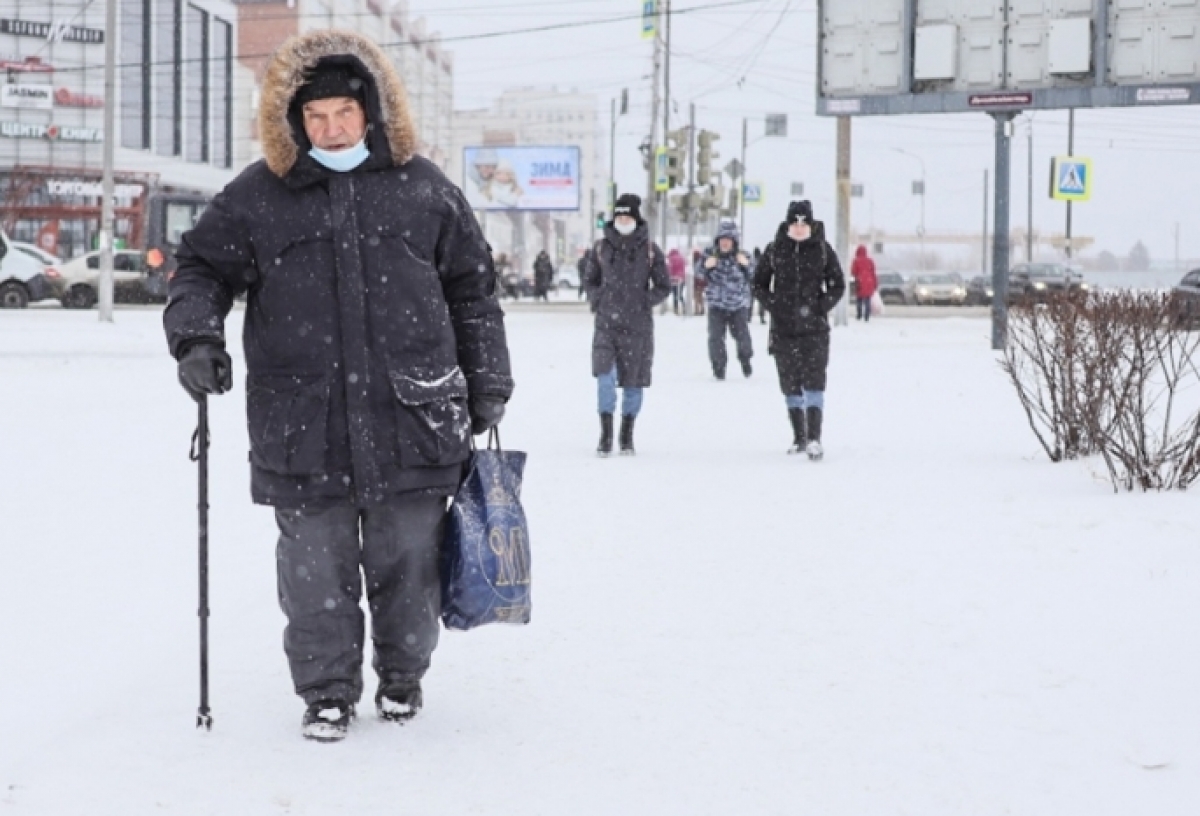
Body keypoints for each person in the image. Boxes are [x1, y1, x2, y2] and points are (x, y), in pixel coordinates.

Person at [163, 31, 514, 742]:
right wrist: (197, 338)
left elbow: (473, 292)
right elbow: (198, 269)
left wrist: (489, 382)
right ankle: (325, 691)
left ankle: (403, 677)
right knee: (314, 573)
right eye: (314, 116)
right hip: (303, 425)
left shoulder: (424, 189)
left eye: (342, 114)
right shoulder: (258, 197)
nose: (329, 128)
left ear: (372, 112)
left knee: (409, 567)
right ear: (294, 121)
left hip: (414, 416)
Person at [753, 200, 845, 460]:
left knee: (814, 381)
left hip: (815, 329)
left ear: (811, 224)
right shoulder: (775, 250)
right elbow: (758, 284)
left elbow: (837, 284)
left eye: (804, 223)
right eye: (795, 222)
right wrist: (773, 304)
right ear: (788, 223)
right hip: (783, 330)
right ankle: (799, 437)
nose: (800, 227)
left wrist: (821, 305)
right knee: (790, 384)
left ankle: (815, 437)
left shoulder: (823, 250)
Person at [582, 193, 670, 456]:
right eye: (619, 216)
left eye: (627, 216)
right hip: (606, 325)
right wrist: (599, 299)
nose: (623, 220)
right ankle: (606, 434)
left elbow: (664, 285)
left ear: (635, 218)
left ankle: (627, 434)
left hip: (638, 326)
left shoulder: (650, 250)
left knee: (634, 382)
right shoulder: (601, 248)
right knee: (604, 378)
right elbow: (589, 281)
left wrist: (644, 301)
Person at [697, 220, 754, 380]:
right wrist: (706, 266)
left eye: (728, 239)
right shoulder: (710, 255)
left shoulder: (743, 256)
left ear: (734, 241)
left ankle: (745, 360)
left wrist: (746, 265)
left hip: (738, 305)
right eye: (722, 239)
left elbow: (754, 275)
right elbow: (699, 274)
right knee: (715, 337)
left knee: (742, 336)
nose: (725, 242)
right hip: (716, 305)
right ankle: (719, 368)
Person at [851, 245, 878, 322]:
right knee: (867, 300)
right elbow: (873, 273)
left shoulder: (856, 261)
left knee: (859, 299)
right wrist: (875, 284)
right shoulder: (870, 261)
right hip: (870, 282)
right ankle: (867, 316)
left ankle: (859, 315)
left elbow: (853, 272)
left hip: (860, 282)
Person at [667, 247, 687, 315]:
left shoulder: (671, 259)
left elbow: (669, 269)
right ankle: (684, 307)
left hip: (674, 279)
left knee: (675, 295)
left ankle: (676, 310)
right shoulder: (682, 258)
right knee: (680, 295)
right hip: (682, 279)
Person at [691, 249, 707, 315]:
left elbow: (696, 272)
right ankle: (702, 309)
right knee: (699, 296)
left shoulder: (697, 262)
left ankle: (697, 310)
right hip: (702, 281)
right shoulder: (702, 261)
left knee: (696, 296)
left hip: (698, 281)